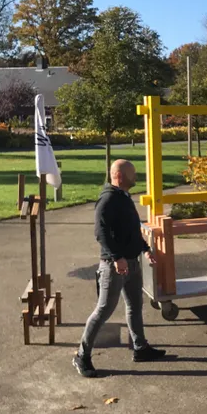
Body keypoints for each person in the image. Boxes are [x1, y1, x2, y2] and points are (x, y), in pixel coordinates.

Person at [73, 160, 167, 378]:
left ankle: (140, 348)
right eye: (132, 174)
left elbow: (132, 229)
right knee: (104, 310)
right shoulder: (108, 199)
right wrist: (117, 257)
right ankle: (81, 355)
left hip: (132, 263)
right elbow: (100, 232)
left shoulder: (124, 197)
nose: (136, 177)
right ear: (120, 176)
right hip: (114, 266)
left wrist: (144, 249)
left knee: (135, 304)